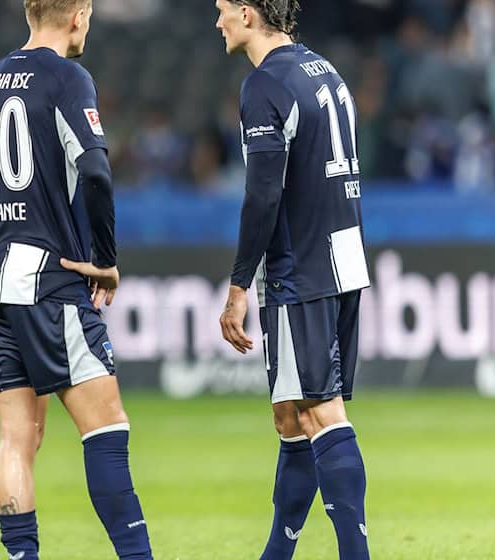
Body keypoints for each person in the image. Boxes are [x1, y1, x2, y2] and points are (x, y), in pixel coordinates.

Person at [0, 1, 153, 558]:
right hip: (47, 280)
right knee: (106, 427)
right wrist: (104, 257)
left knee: (18, 438)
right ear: (79, 14)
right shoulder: (67, 78)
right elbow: (96, 170)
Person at [214, 1, 372, 559]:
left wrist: (238, 287)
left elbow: (263, 193)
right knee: (291, 414)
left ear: (248, 14)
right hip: (344, 253)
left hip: (301, 266)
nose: (217, 22)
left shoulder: (264, 85)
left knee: (320, 411)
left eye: (222, 10)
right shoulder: (325, 70)